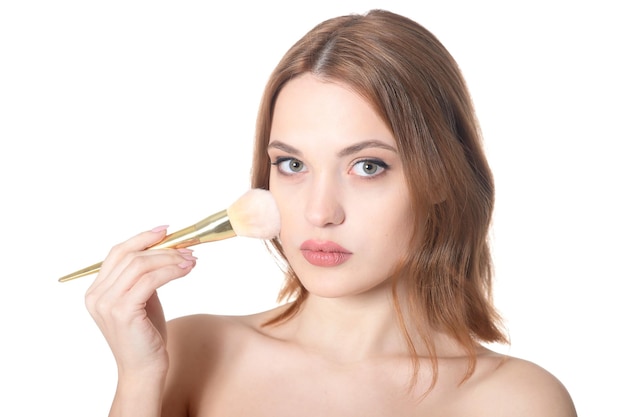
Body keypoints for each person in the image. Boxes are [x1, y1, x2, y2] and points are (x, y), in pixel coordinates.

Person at [85, 9, 577, 416]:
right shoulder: (190, 351)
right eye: (292, 164)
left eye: (367, 166)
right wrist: (139, 379)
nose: (319, 212)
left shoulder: (516, 401)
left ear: (442, 178)